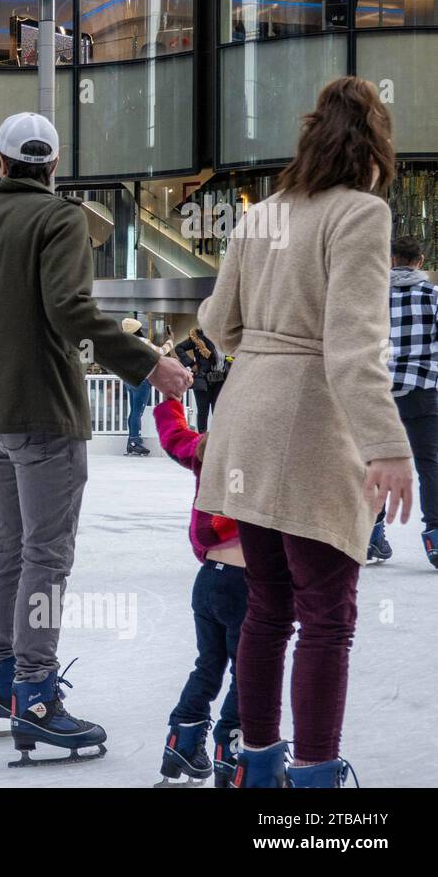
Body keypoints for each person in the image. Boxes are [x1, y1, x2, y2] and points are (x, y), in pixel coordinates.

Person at [0, 111, 191, 759]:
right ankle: (37, 695)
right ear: (54, 164)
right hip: (45, 414)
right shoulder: (60, 218)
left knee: (10, 550)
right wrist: (148, 362)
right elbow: (69, 309)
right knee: (46, 556)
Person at [196, 77, 413, 788]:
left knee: (269, 604)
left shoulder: (263, 216)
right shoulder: (362, 213)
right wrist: (389, 447)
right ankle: (316, 780)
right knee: (326, 615)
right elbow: (353, 348)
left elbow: (215, 323)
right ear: (375, 145)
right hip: (310, 426)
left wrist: (268, 339)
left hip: (245, 421)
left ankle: (258, 767)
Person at [153, 397, 245, 788]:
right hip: (248, 585)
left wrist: (171, 399)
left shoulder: (206, 449)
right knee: (249, 674)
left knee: (209, 666)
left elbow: (175, 437)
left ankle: (183, 741)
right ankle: (233, 750)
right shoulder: (265, 458)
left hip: (209, 579)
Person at [366, 235, 438, 567]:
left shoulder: (372, 299)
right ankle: (435, 536)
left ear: (390, 260)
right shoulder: (433, 296)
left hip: (378, 393)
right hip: (423, 391)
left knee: (374, 464)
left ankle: (371, 535)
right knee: (429, 464)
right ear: (419, 261)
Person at [121, 317, 172, 455]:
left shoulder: (124, 342)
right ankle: (135, 442)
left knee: (133, 411)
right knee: (138, 412)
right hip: (142, 380)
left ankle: (131, 441)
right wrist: (170, 340)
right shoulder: (142, 341)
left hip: (129, 380)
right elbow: (160, 352)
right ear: (137, 329)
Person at [175, 327, 224, 432]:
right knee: (203, 411)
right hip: (202, 379)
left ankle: (217, 440)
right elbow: (179, 348)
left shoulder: (224, 336)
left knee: (218, 412)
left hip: (220, 380)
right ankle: (202, 440)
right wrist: (191, 364)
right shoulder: (198, 337)